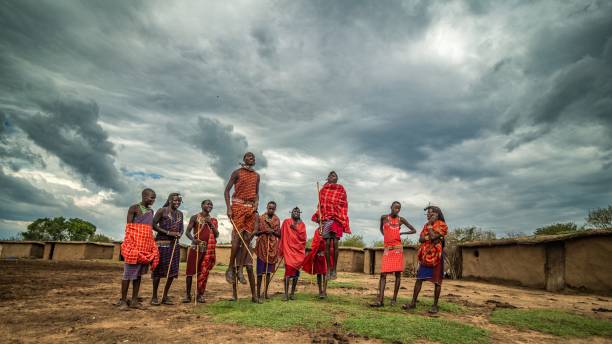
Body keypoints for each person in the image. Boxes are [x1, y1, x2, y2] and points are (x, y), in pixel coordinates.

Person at [224, 152, 259, 303]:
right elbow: (227, 191)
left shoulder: (257, 176)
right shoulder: (237, 172)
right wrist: (228, 208)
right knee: (237, 238)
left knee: (247, 239)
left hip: (250, 209)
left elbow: (257, 194)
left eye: (253, 157)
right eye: (249, 156)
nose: (251, 159)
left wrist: (256, 205)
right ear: (244, 159)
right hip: (237, 206)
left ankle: (239, 270)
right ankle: (231, 267)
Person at [117, 188, 160, 310]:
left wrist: (151, 244)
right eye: (151, 197)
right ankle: (123, 301)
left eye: (154, 198)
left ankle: (134, 300)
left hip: (145, 247)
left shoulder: (151, 212)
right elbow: (130, 228)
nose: (153, 200)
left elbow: (149, 230)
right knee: (128, 274)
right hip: (134, 246)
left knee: (139, 275)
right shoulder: (134, 208)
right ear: (144, 196)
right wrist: (130, 245)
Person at [370, 201, 416, 307]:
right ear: (391, 207)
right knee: (383, 274)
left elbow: (414, 230)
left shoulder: (401, 220)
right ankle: (380, 301)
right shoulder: (384, 218)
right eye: (395, 208)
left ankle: (394, 299)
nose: (397, 210)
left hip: (397, 249)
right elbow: (381, 228)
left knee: (398, 274)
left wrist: (403, 233)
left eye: (399, 208)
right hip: (387, 249)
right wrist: (386, 237)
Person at [403, 205, 448, 314]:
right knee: (419, 279)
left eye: (430, 213)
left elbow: (432, 237)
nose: (428, 215)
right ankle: (413, 302)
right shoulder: (426, 225)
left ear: (436, 214)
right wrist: (429, 235)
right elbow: (421, 239)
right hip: (425, 255)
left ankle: (435, 306)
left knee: (437, 282)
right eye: (427, 213)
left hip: (436, 255)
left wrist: (430, 229)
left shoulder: (442, 225)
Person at [312, 171, 350, 280]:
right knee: (327, 243)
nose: (333, 177)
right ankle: (328, 268)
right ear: (327, 178)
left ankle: (334, 269)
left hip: (337, 219)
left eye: (335, 176)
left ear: (337, 179)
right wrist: (319, 215)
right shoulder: (323, 190)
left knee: (336, 243)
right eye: (331, 175)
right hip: (327, 219)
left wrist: (341, 216)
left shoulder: (341, 189)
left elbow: (343, 204)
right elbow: (320, 205)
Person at [183, 200, 219, 304]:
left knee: (203, 272)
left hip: (207, 250)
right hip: (195, 248)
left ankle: (200, 295)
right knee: (190, 272)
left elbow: (216, 235)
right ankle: (188, 295)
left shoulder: (213, 220)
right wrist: (193, 240)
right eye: (207, 204)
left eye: (211, 204)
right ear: (202, 205)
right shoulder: (195, 217)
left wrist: (210, 223)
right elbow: (187, 232)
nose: (209, 205)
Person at [150, 193, 184, 306]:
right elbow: (153, 225)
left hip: (174, 245)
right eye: (175, 200)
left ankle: (165, 296)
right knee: (158, 271)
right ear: (169, 200)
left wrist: (179, 234)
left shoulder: (180, 214)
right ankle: (154, 296)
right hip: (161, 244)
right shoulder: (162, 211)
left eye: (179, 201)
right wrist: (168, 232)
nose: (177, 203)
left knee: (172, 271)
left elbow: (182, 229)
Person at [253, 201, 281, 302]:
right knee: (260, 273)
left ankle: (265, 292)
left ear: (275, 209)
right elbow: (255, 233)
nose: (271, 210)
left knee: (268, 272)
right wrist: (265, 231)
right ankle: (257, 293)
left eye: (273, 209)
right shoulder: (260, 218)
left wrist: (273, 231)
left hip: (272, 248)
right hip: (262, 247)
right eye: (269, 208)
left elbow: (279, 235)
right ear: (266, 207)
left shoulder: (277, 220)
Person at [279, 207, 307, 301]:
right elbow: (281, 234)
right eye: (294, 211)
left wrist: (296, 229)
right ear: (291, 213)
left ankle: (292, 294)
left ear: (300, 214)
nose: (296, 213)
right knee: (287, 273)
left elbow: (303, 238)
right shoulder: (286, 222)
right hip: (289, 251)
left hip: (298, 252)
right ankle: (286, 294)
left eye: (298, 212)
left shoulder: (302, 225)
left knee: (295, 275)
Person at [302, 227, 330, 299]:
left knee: (325, 273)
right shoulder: (317, 231)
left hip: (325, 256)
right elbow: (314, 244)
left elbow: (330, 243)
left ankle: (324, 291)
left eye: (324, 222)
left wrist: (323, 239)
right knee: (319, 273)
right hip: (318, 256)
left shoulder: (328, 230)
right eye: (320, 222)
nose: (322, 223)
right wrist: (319, 242)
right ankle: (320, 291)